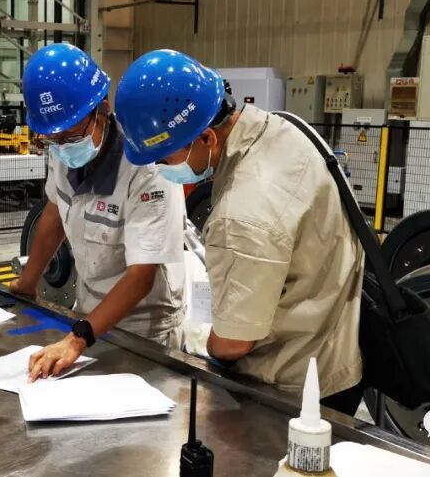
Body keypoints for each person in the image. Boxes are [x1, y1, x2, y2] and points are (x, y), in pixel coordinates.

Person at [114, 49, 364, 414]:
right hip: (334, 351)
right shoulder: (282, 129)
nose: (159, 169)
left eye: (164, 158)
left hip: (293, 389)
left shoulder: (243, 214)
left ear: (206, 139)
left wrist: (200, 340)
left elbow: (233, 343)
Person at [7, 43, 188, 381]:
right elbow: (53, 215)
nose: (62, 145)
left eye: (71, 134)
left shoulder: (147, 168)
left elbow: (141, 276)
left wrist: (77, 339)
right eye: (51, 138)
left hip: (145, 329)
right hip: (87, 315)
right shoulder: (61, 149)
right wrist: (27, 282)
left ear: (102, 107)